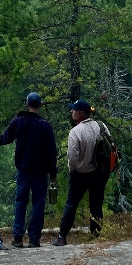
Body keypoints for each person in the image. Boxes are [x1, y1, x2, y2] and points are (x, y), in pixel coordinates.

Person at [0, 91, 57, 248]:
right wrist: (53, 172)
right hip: (41, 171)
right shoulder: (45, 125)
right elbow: (51, 152)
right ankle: (34, 238)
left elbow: (6, 138)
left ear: (27, 104)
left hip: (23, 169)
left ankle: (17, 237)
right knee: (38, 203)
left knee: (20, 201)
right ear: (40, 105)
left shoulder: (19, 121)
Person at [52, 99, 110, 245]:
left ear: (81, 113)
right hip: (99, 173)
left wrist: (72, 171)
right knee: (96, 204)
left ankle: (62, 236)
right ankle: (95, 235)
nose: (71, 111)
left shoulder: (75, 132)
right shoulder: (101, 127)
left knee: (71, 204)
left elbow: (72, 158)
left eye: (74, 110)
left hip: (80, 174)